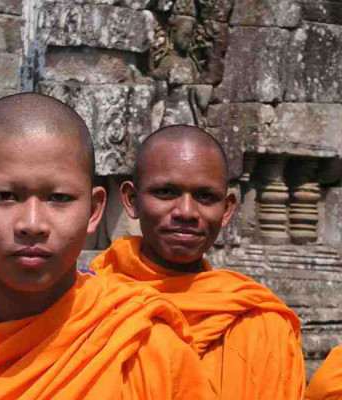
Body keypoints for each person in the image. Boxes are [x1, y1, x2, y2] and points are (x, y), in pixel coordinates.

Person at [0, 95, 212, 400]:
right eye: (5, 196)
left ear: (94, 210)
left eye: (59, 198)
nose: (32, 224)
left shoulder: (143, 347)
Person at [90, 124, 306, 400]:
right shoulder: (89, 307)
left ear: (227, 209)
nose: (186, 212)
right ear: (132, 200)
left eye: (205, 197)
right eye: (166, 192)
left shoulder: (260, 322)